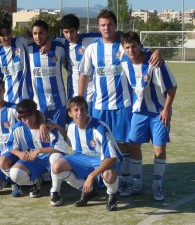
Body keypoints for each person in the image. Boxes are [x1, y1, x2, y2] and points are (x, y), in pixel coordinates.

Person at [78, 10, 161, 190]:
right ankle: (105, 177)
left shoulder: (124, 46)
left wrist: (157, 51)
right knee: (101, 145)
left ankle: (126, 178)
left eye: (110, 25)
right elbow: (84, 75)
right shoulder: (92, 49)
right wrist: (80, 99)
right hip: (100, 106)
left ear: (115, 26)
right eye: (103, 25)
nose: (106, 28)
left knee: (124, 144)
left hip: (124, 105)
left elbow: (145, 53)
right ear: (98, 27)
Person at [119, 31, 177, 201]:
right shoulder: (123, 62)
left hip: (158, 112)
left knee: (159, 149)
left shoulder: (154, 62)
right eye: (127, 47)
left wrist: (167, 108)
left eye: (134, 46)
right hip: (139, 112)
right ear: (123, 48)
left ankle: (157, 186)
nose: (131, 50)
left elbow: (172, 87)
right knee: (134, 145)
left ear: (140, 46)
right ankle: (137, 184)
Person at [52, 96, 122, 211]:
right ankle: (88, 191)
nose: (80, 113)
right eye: (76, 110)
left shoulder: (100, 128)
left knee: (109, 174)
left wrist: (91, 176)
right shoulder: (71, 127)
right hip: (81, 157)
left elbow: (112, 158)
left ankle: (111, 194)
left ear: (87, 111)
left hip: (102, 159)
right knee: (56, 167)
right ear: (70, 113)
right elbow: (69, 140)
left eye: (83, 109)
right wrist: (57, 127)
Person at [0, 99, 67, 206]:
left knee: (56, 157)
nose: (27, 120)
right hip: (33, 162)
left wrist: (39, 151)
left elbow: (60, 148)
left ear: (35, 113)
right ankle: (35, 182)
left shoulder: (49, 125)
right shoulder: (18, 128)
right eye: (23, 117)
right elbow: (11, 146)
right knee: (14, 174)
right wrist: (19, 154)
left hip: (48, 160)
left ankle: (55, 191)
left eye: (29, 116)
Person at [57, 14, 101, 116]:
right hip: (73, 93)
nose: (69, 35)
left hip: (92, 93)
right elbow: (45, 40)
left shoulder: (90, 39)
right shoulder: (60, 42)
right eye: (66, 32)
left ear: (77, 29)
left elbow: (113, 35)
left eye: (72, 31)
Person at [27, 20, 67, 128]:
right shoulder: (29, 49)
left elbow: (68, 67)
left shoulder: (59, 47)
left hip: (58, 101)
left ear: (47, 33)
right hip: (39, 104)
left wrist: (49, 41)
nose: (38, 37)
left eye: (41, 33)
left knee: (59, 136)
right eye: (35, 33)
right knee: (42, 138)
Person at [0, 19, 33, 104]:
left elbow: (42, 37)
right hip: (9, 98)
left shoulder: (21, 41)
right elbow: (0, 77)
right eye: (2, 35)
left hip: (27, 96)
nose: (6, 37)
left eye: (8, 33)